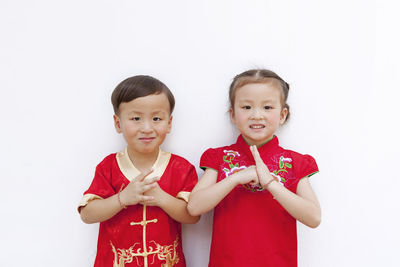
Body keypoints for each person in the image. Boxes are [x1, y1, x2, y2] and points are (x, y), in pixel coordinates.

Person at [187, 69, 321, 267]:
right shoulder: (219, 158)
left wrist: (271, 183)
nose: (257, 115)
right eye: (247, 107)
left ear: (283, 114)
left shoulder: (296, 162)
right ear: (233, 114)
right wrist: (235, 178)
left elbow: (313, 217)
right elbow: (194, 207)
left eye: (267, 107)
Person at [78, 75, 200, 267]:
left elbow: (192, 216)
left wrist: (161, 198)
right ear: (118, 124)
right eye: (136, 118)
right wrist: (123, 198)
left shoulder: (181, 168)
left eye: (156, 118)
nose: (146, 128)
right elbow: (87, 214)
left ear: (169, 123)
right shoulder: (108, 167)